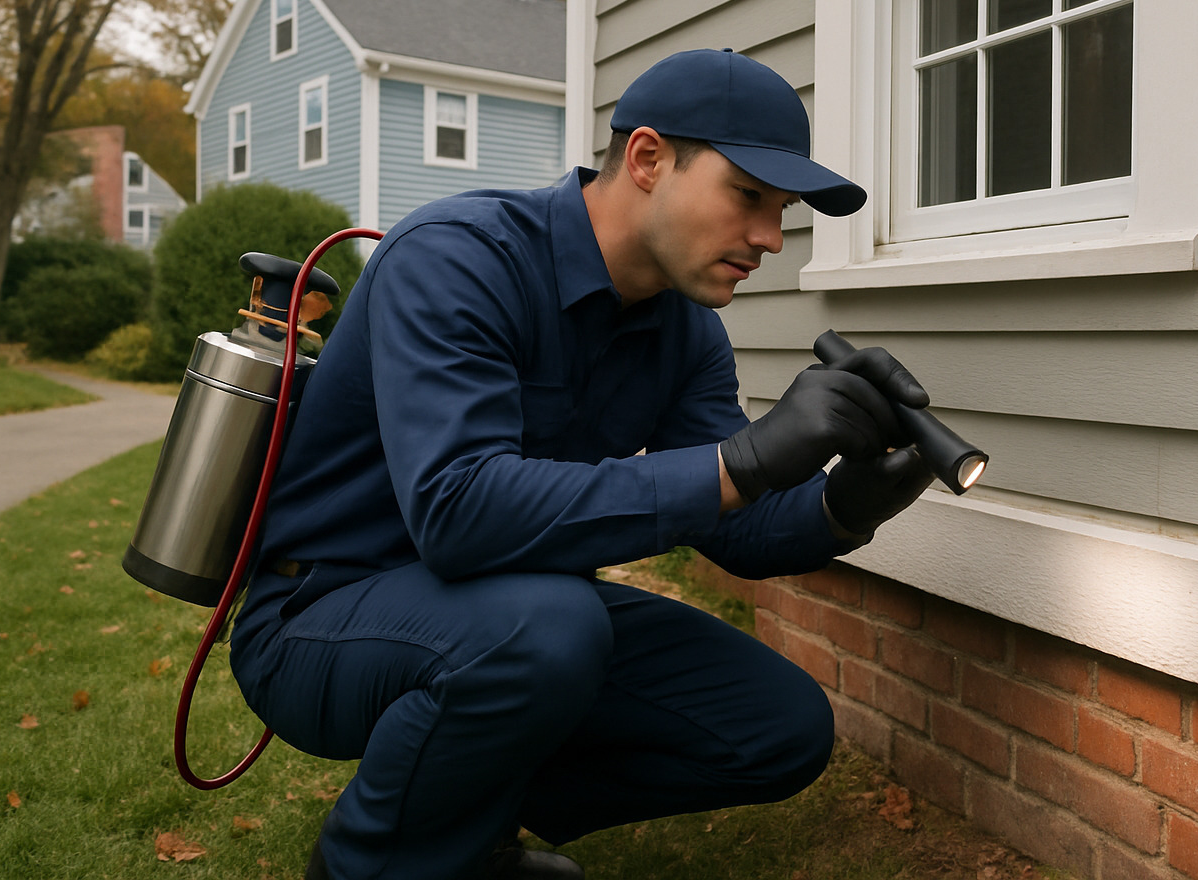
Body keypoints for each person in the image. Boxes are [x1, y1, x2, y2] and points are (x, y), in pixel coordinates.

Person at [229, 48, 936, 880]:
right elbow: (458, 514)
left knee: (778, 725)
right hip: (320, 615)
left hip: (514, 613)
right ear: (648, 159)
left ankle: (464, 830)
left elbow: (736, 531)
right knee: (550, 629)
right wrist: (743, 461)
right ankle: (364, 865)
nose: (771, 239)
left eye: (782, 212)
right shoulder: (458, 259)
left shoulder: (685, 331)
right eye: (748, 196)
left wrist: (845, 503)